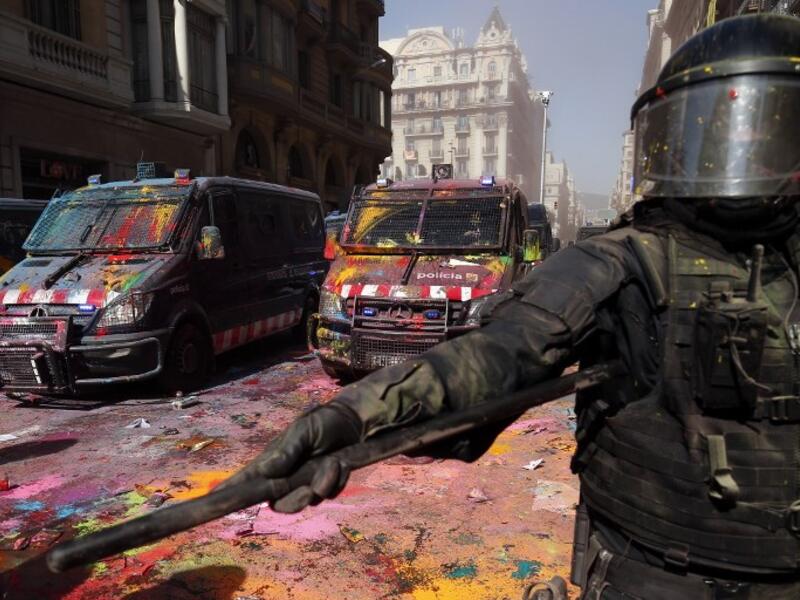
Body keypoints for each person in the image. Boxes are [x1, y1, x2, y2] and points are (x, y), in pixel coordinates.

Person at [224, 15, 800, 599]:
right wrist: (351, 421)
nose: (744, 157)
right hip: (649, 575)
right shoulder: (623, 263)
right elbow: (490, 359)